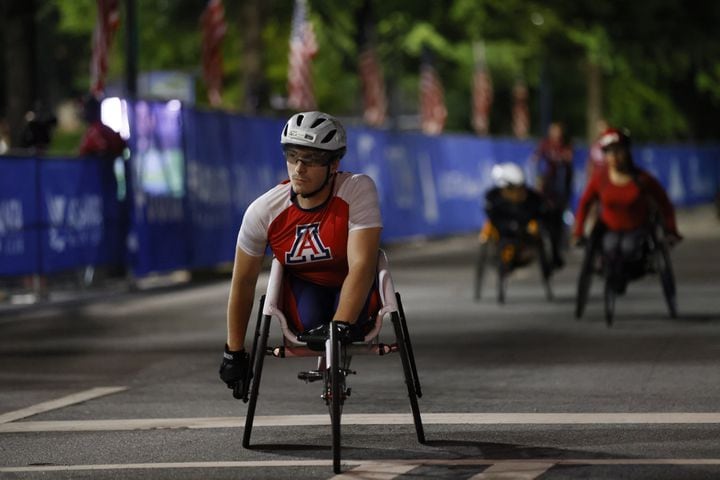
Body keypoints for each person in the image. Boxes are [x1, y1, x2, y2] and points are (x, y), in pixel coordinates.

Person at [219, 111, 383, 395]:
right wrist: (234, 351)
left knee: (348, 325)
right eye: (293, 156)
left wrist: (341, 323)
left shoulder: (357, 189)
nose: (299, 168)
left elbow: (362, 264)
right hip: (305, 285)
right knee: (311, 327)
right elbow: (243, 281)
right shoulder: (263, 211)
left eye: (311, 159)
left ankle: (341, 328)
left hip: (351, 279)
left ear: (334, 165)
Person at [572, 128, 681, 290]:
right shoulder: (600, 179)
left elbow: (664, 203)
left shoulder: (643, 179)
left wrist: (670, 229)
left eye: (618, 151)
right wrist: (579, 231)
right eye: (609, 152)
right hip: (609, 229)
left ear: (627, 152)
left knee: (628, 248)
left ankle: (626, 272)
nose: (614, 156)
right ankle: (613, 274)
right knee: (610, 246)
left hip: (637, 230)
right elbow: (584, 204)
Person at [532, 121, 573, 268]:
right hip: (546, 189)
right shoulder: (545, 145)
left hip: (559, 191)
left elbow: (568, 163)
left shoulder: (565, 146)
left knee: (556, 224)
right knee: (542, 221)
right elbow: (535, 161)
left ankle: (556, 253)